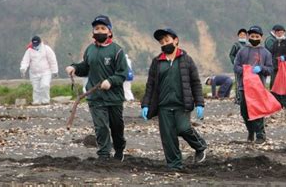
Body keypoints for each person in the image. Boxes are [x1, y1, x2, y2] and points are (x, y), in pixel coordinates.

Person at [141, 28, 207, 170]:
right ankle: (174, 165)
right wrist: (145, 104)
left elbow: (195, 82)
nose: (164, 43)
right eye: (162, 42)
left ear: (175, 40)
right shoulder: (157, 62)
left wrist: (200, 103)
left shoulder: (187, 60)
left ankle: (200, 146)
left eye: (167, 40)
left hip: (182, 104)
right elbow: (150, 85)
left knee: (183, 128)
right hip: (163, 105)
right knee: (168, 136)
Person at [65, 15, 128, 162]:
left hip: (114, 97)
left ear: (109, 32)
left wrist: (110, 81)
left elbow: (122, 73)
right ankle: (104, 155)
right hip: (95, 96)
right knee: (101, 127)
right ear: (93, 32)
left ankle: (119, 149)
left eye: (103, 28)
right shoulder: (90, 50)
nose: (99, 31)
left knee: (117, 127)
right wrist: (74, 68)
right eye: (96, 28)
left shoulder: (117, 51)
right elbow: (85, 67)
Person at [234, 25, 273, 145]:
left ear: (261, 38)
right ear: (248, 37)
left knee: (258, 111)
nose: (254, 38)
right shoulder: (242, 51)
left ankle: (260, 135)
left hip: (258, 88)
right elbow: (236, 67)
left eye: (257, 36)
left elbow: (270, 69)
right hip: (243, 87)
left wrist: (260, 68)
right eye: (252, 36)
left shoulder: (266, 53)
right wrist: (246, 70)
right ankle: (250, 131)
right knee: (244, 112)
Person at [20, 36, 58, 105]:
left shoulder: (46, 49)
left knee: (45, 85)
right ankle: (36, 101)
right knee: (36, 88)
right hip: (34, 73)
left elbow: (52, 60)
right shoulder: (29, 50)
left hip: (45, 72)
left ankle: (45, 101)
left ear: (40, 43)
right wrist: (23, 69)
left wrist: (54, 71)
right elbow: (25, 61)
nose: (35, 46)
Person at [269, 25, 286, 108]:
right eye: (278, 32)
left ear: (284, 32)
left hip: (285, 68)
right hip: (276, 68)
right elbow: (272, 54)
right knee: (274, 85)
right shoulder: (275, 43)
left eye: (281, 32)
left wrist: (285, 58)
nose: (279, 34)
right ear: (275, 33)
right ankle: (277, 104)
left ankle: (285, 104)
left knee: (285, 86)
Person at [229, 28, 248, 104]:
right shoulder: (236, 45)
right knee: (238, 82)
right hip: (238, 67)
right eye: (241, 34)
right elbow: (231, 55)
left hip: (247, 67)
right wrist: (235, 63)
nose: (242, 36)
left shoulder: (248, 45)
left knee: (246, 82)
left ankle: (245, 98)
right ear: (238, 35)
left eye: (244, 34)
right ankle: (238, 98)